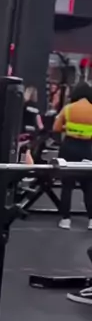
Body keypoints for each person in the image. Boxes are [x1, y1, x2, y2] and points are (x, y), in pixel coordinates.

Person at [53, 81, 92, 230]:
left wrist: (67, 127)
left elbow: (56, 128)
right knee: (89, 186)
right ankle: (91, 220)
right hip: (88, 149)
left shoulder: (68, 109)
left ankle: (65, 219)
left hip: (69, 148)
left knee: (67, 185)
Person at [19, 86, 44, 168]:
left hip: (24, 132)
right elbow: (40, 125)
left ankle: (29, 168)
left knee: (23, 151)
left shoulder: (24, 106)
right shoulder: (36, 107)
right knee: (27, 150)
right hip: (33, 133)